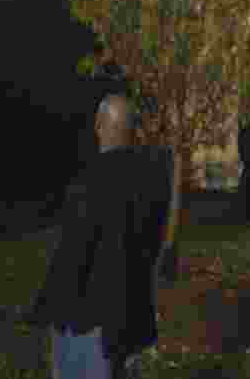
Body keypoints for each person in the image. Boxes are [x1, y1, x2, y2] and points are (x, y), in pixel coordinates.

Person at [25, 94, 173, 378]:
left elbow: (70, 261)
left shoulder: (88, 184)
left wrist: (44, 311)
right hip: (133, 318)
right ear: (132, 130)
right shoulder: (154, 180)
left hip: (93, 326)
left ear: (98, 126)